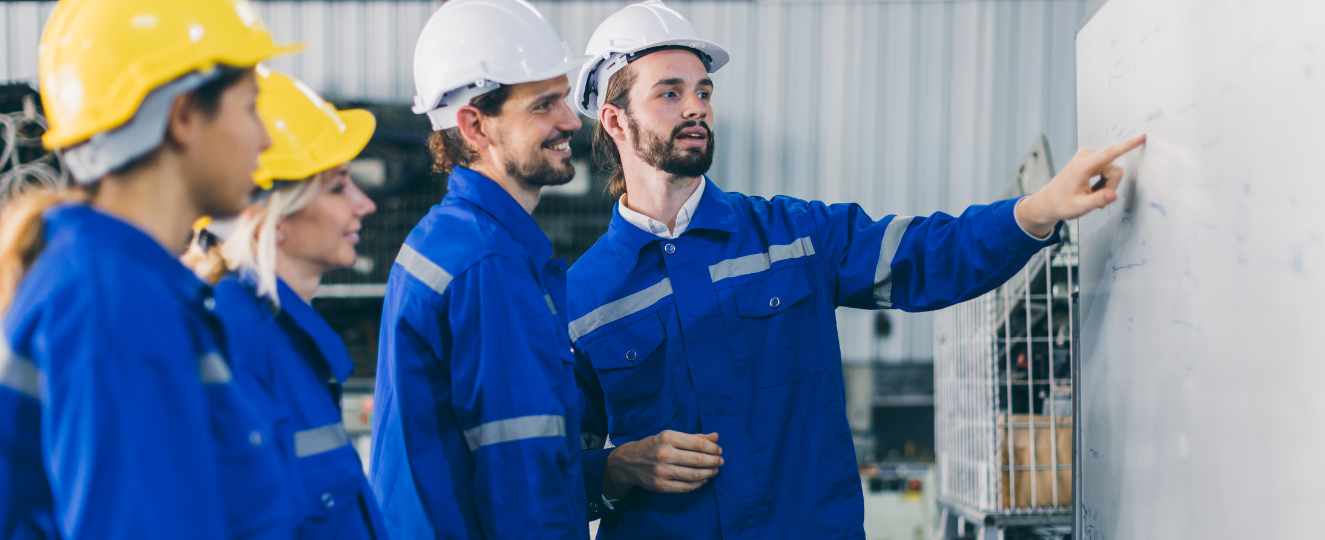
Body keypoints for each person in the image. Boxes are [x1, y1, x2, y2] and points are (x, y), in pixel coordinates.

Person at [566, 1, 1146, 538]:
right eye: (669, 93)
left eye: (703, 91)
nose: (696, 107)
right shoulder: (581, 297)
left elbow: (928, 253)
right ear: (616, 123)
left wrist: (1037, 210)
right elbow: (549, 465)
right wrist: (616, 467)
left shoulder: (795, 236)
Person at [0, 0, 303, 538]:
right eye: (250, 106)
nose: (267, 139)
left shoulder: (124, 283)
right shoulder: (115, 303)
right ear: (183, 116)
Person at [369, 0, 597, 538]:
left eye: (564, 98)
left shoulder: (453, 236)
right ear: (475, 125)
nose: (570, 121)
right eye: (544, 105)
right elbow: (521, 478)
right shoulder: (488, 263)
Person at [186, 68, 387, 540]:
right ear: (272, 218)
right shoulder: (235, 339)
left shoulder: (279, 335)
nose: (365, 204)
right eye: (338, 187)